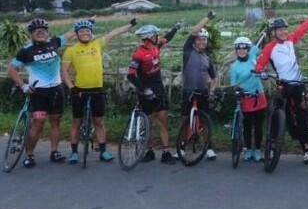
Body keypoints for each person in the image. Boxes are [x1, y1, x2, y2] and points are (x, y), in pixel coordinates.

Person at [62, 17, 137, 164]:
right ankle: (74, 152)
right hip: (79, 90)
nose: (85, 33)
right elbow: (63, 71)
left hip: (97, 89)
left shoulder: (97, 44)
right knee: (76, 122)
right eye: (82, 31)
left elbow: (113, 33)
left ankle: (103, 151)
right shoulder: (70, 50)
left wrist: (130, 25)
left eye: (88, 31)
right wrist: (71, 87)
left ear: (91, 32)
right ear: (77, 34)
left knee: (99, 122)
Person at [7, 18, 76, 168]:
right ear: (31, 34)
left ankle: (54, 151)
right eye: (36, 31)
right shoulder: (26, 51)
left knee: (56, 121)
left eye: (43, 31)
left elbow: (71, 34)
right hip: (39, 92)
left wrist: (86, 23)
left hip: (57, 89)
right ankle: (29, 155)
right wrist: (23, 86)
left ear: (47, 32)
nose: (40, 33)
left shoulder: (54, 42)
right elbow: (12, 70)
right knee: (38, 123)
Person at [254, 7, 308, 164]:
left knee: (301, 117)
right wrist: (259, 71)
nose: (283, 32)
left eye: (284, 29)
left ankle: (306, 149)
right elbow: (260, 63)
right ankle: (272, 145)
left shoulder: (291, 40)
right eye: (279, 30)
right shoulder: (270, 47)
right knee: (279, 116)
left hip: (298, 85)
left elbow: (302, 29)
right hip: (283, 86)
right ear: (274, 32)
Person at [127, 21, 182, 164]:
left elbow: (167, 38)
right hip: (145, 90)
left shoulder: (157, 47)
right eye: (156, 35)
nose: (158, 37)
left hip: (159, 88)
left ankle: (165, 152)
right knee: (149, 123)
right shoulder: (139, 54)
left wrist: (175, 27)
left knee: (163, 121)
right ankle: (150, 151)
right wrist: (143, 89)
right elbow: (131, 75)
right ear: (150, 37)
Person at [180, 11, 219, 161]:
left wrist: (212, 91)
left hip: (203, 92)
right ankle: (182, 147)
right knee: (184, 119)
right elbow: (194, 31)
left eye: (205, 39)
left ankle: (209, 147)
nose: (202, 41)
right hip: (188, 91)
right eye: (200, 39)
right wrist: (208, 18)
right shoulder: (188, 51)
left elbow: (214, 78)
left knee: (205, 120)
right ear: (195, 41)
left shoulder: (207, 58)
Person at [230, 36, 267, 162]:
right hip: (245, 98)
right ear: (236, 50)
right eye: (238, 49)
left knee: (258, 126)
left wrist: (266, 33)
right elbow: (234, 85)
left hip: (258, 95)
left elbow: (261, 43)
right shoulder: (234, 67)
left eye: (244, 48)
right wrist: (237, 91)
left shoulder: (252, 55)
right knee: (246, 125)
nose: (241, 51)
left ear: (248, 49)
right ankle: (248, 148)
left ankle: (257, 149)